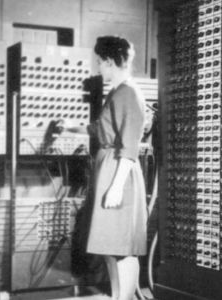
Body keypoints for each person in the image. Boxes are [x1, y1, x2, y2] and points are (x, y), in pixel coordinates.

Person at [62, 36, 147, 300]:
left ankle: (124, 298)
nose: (98, 67)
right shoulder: (117, 92)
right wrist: (68, 126)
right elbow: (99, 129)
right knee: (111, 244)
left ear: (110, 61)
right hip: (109, 168)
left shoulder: (128, 93)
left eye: (100, 62)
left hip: (118, 172)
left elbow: (129, 147)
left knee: (121, 245)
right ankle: (122, 296)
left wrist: (116, 188)